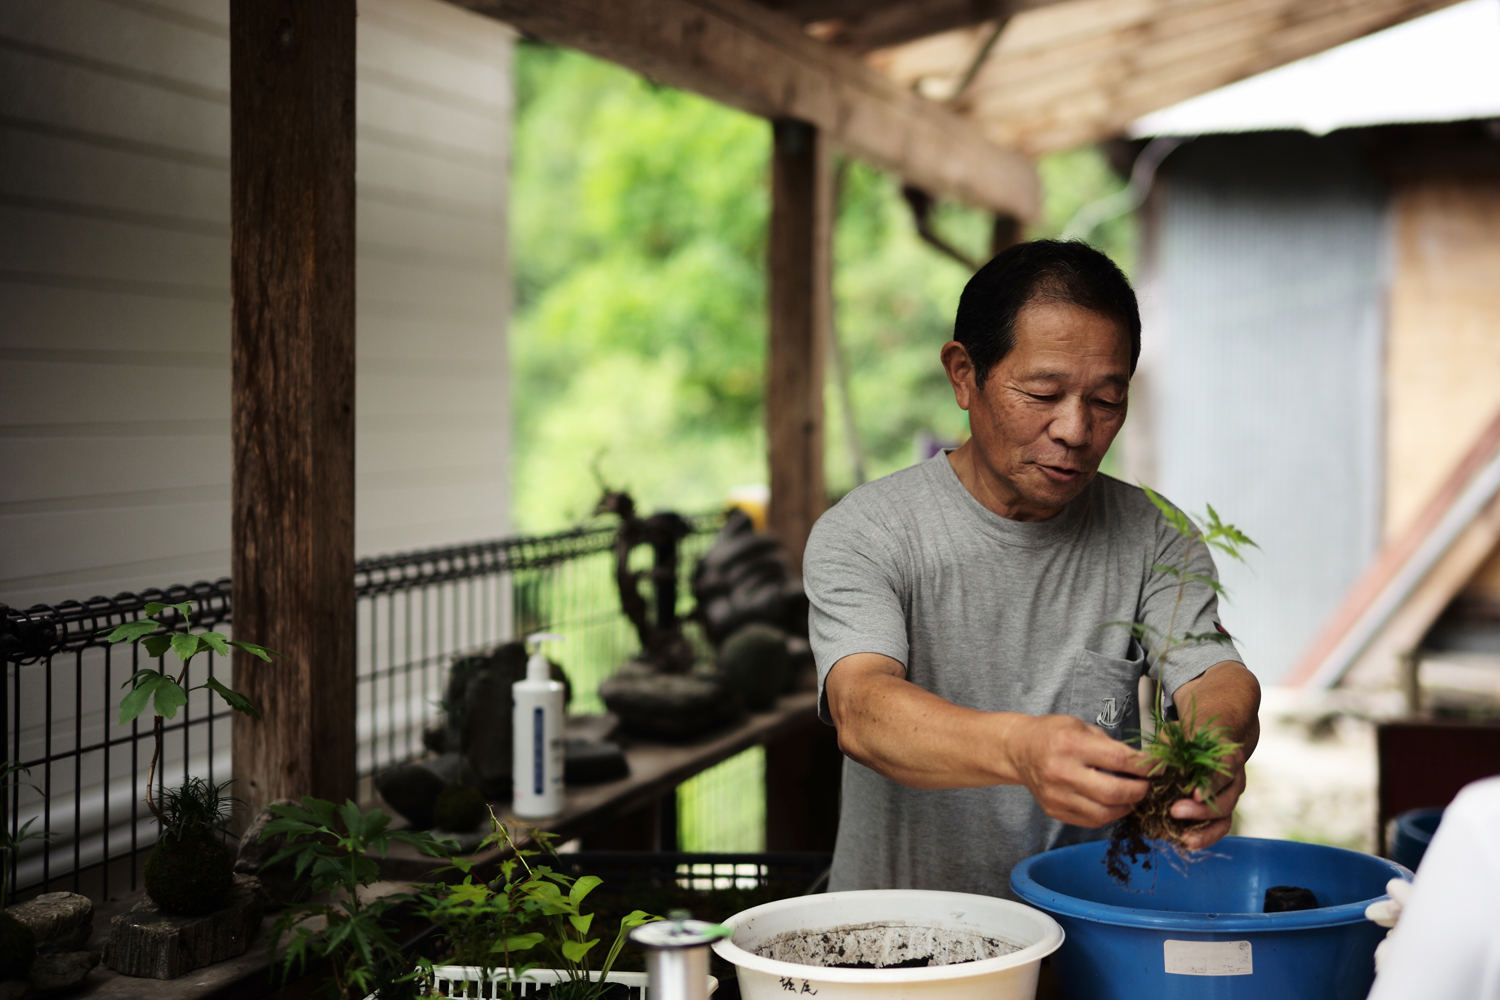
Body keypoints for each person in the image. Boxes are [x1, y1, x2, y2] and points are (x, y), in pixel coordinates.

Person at [803, 239, 1261, 898]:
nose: (1076, 429)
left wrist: (1212, 750)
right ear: (964, 374)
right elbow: (863, 711)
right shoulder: (870, 532)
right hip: (900, 943)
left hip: (1084, 939)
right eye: (1043, 392)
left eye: (1106, 400)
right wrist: (1021, 751)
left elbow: (1216, 676)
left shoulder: (1154, 537)